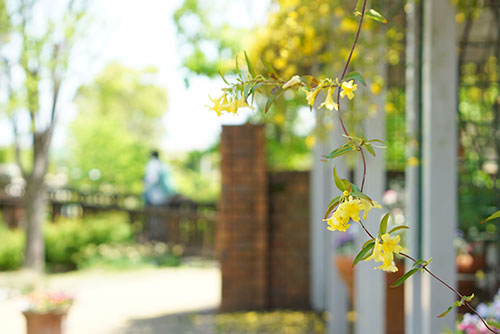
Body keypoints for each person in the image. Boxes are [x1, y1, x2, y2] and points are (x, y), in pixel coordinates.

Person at [143, 150, 174, 240]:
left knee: (154, 217)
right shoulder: (163, 165)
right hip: (164, 196)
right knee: (162, 217)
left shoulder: (152, 164)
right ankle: (162, 236)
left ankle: (156, 237)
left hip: (155, 197)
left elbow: (152, 180)